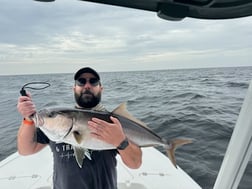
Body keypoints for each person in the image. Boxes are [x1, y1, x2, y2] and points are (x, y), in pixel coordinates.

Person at [17, 67, 142, 189]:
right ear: (74, 88)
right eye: (81, 82)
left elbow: (135, 163)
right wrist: (28, 119)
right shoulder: (52, 129)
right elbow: (25, 150)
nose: (87, 86)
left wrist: (120, 141)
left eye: (93, 81)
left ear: (101, 88)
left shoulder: (112, 123)